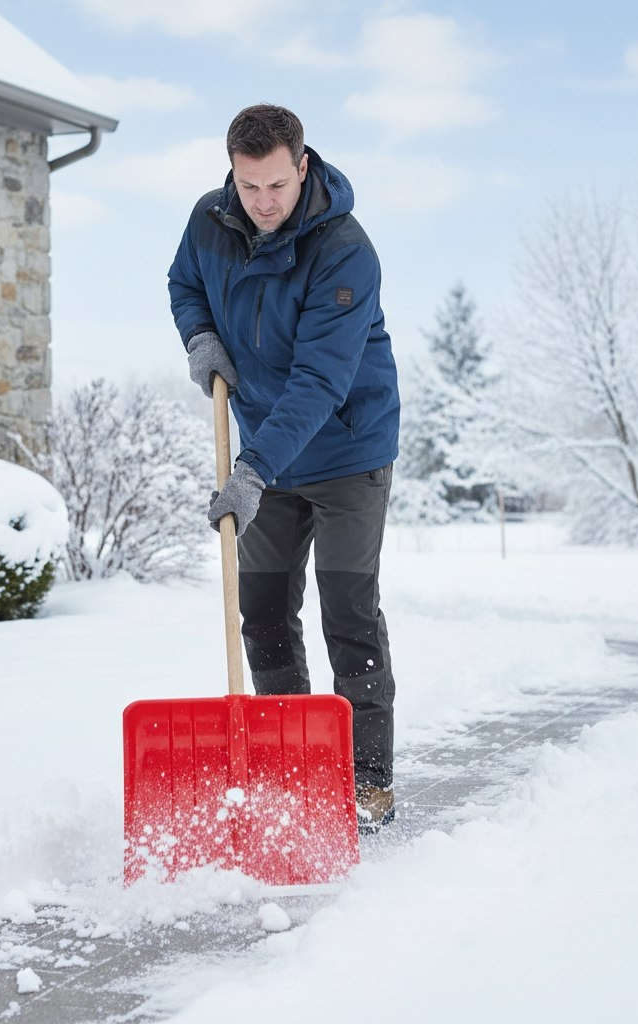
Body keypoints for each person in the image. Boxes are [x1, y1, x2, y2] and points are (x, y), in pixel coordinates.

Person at [168, 104, 400, 830]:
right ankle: (293, 767)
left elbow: (319, 381)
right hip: (265, 453)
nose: (262, 203)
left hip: (345, 451)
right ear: (231, 173)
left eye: (275, 184)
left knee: (347, 613)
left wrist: (254, 466)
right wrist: (200, 337)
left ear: (302, 166)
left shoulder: (344, 251)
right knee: (263, 611)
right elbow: (185, 284)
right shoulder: (209, 220)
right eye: (247, 186)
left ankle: (367, 784)